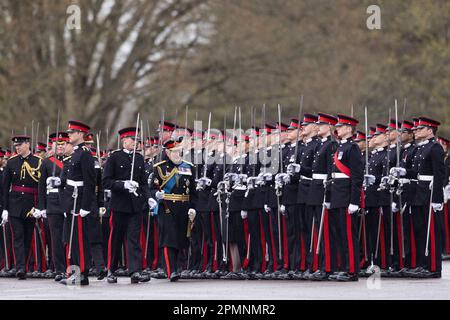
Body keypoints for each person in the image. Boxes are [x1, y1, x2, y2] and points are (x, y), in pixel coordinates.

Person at [102, 127, 151, 284]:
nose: (136, 142)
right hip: (119, 204)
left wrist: (149, 198)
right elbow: (106, 181)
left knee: (134, 238)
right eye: (133, 139)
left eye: (137, 140)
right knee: (115, 238)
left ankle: (135, 270)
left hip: (135, 204)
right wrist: (122, 184)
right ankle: (111, 269)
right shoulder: (114, 157)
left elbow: (143, 182)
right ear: (124, 140)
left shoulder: (139, 158)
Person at [149, 140, 197, 282]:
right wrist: (156, 195)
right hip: (167, 206)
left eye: (179, 151)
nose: (178, 154)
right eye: (175, 151)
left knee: (180, 239)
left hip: (184, 206)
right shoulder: (159, 168)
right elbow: (152, 188)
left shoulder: (189, 167)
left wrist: (193, 207)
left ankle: (177, 267)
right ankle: (171, 270)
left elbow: (193, 191)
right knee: (169, 239)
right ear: (168, 153)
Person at [55, 121, 96, 286]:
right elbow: (69, 180)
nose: (69, 135)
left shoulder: (85, 154)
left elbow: (90, 182)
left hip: (79, 202)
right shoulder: (75, 153)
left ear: (80, 134)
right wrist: (58, 182)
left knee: (79, 240)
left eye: (72, 133)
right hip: (71, 200)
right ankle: (73, 271)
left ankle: (81, 274)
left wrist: (86, 206)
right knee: (71, 238)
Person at [328, 114, 364, 282]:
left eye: (341, 127)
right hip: (337, 195)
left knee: (349, 235)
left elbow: (357, 177)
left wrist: (354, 201)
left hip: (347, 197)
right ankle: (343, 267)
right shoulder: (339, 148)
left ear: (349, 129)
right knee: (340, 234)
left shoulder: (353, 148)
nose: (338, 129)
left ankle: (351, 270)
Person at [1, 135, 42, 280]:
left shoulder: (38, 161)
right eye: (15, 146)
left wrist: (40, 207)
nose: (17, 148)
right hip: (15, 206)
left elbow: (41, 187)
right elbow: (5, 188)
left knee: (27, 237)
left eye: (19, 145)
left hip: (31, 204)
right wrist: (5, 208)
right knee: (17, 237)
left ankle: (24, 265)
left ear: (27, 144)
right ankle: (20, 268)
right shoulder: (11, 163)